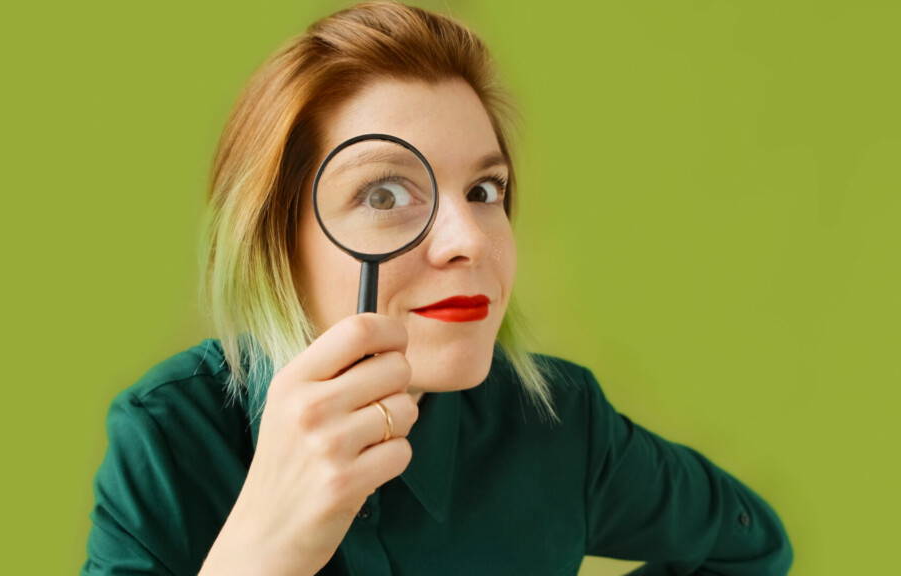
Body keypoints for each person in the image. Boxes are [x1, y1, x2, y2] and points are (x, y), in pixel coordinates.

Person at [80, 2, 793, 575]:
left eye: (484, 189)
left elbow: (751, 546)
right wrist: (261, 553)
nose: (470, 240)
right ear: (277, 238)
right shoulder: (167, 439)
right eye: (385, 193)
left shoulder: (563, 428)